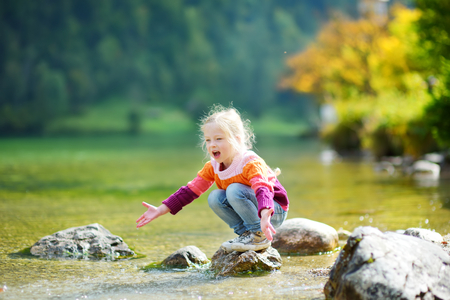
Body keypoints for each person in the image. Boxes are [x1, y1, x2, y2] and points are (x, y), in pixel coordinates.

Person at [136, 104, 289, 252]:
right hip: (258, 212)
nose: (212, 144)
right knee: (215, 197)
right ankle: (246, 235)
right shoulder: (213, 166)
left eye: (219, 139)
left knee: (234, 190)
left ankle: (258, 235)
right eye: (208, 140)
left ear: (236, 140)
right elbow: (189, 191)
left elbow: (263, 189)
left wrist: (265, 214)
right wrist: (161, 210)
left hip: (272, 210)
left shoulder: (249, 162)